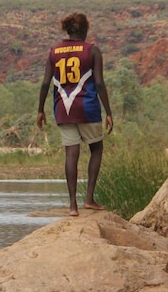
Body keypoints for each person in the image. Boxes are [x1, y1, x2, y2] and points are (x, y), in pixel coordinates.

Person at [36, 12, 113, 216]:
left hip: (63, 108)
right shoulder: (92, 51)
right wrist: (108, 112)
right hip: (87, 106)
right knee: (96, 148)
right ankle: (89, 199)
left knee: (71, 153)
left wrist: (40, 110)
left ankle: (72, 206)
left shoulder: (54, 51)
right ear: (85, 30)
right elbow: (99, 83)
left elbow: (45, 83)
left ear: (68, 30)